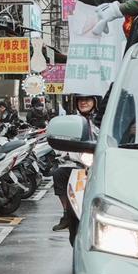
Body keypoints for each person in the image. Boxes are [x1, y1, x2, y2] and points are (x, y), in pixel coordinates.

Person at [52, 94, 99, 231]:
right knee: (58, 173)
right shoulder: (74, 120)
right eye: (80, 100)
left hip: (99, 162)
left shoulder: (102, 119)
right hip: (77, 163)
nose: (83, 102)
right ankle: (67, 213)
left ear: (95, 101)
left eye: (87, 99)